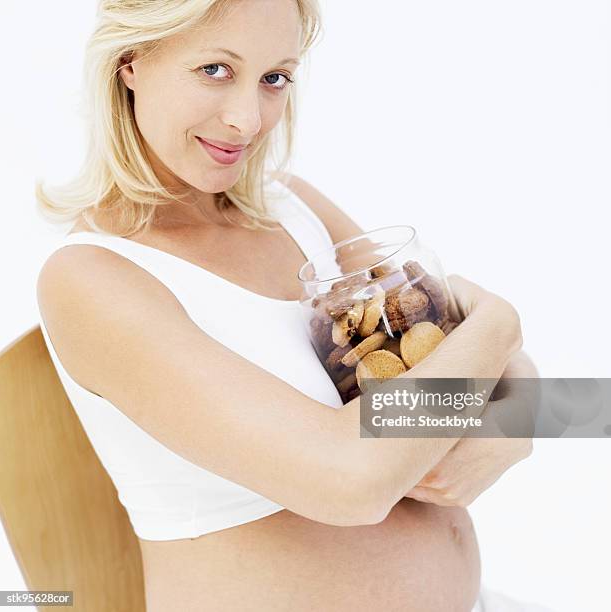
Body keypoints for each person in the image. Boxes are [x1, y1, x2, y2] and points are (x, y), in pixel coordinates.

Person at [35, 1, 535, 610]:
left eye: (275, 78)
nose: (247, 120)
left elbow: (545, 395)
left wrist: (518, 419)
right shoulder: (92, 278)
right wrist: (502, 323)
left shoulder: (293, 208)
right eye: (216, 69)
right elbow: (353, 482)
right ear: (131, 61)